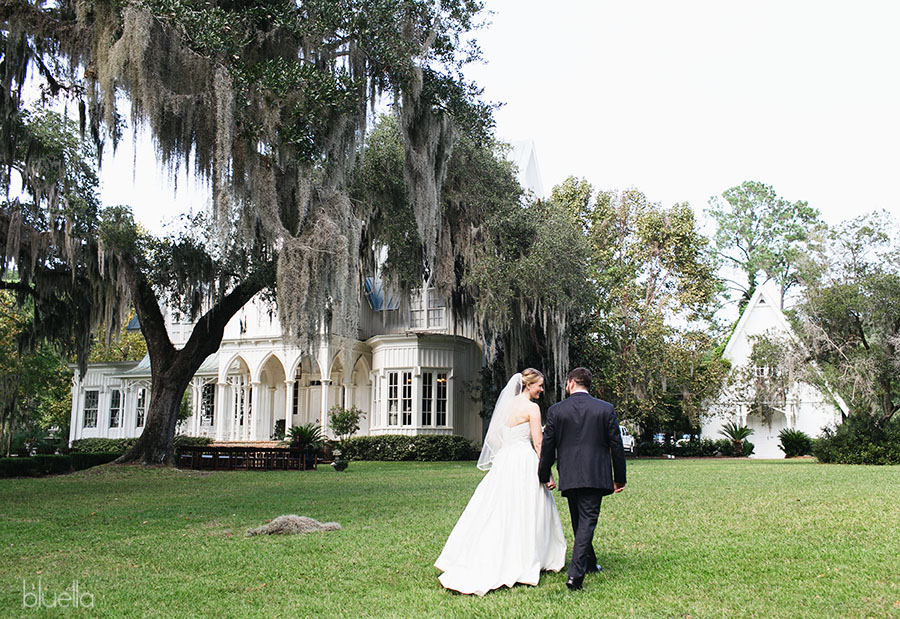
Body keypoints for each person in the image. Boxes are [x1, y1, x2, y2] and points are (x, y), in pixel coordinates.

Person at [435, 369, 566, 596]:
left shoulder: (506, 406)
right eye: (540, 386)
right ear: (529, 385)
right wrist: (548, 474)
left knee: (498, 507)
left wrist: (508, 449)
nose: (542, 390)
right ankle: (527, 556)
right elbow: (538, 443)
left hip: (505, 461)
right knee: (527, 508)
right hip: (524, 460)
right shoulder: (532, 408)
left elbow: (494, 438)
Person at [538, 367, 626, 591]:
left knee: (580, 520)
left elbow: (548, 446)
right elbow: (616, 446)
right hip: (595, 474)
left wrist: (543, 472)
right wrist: (620, 477)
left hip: (569, 474)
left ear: (570, 383)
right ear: (588, 384)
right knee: (585, 522)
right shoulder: (605, 409)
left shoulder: (557, 410)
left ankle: (589, 563)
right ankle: (575, 576)